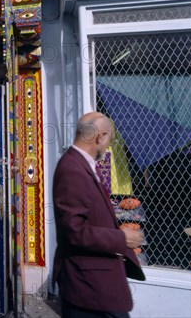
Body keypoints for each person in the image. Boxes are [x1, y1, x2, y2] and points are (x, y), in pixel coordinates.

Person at [52, 112, 146, 317]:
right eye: (108, 140)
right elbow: (74, 231)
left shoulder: (81, 165)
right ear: (100, 136)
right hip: (89, 286)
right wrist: (121, 237)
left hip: (96, 284)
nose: (107, 147)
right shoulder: (72, 169)